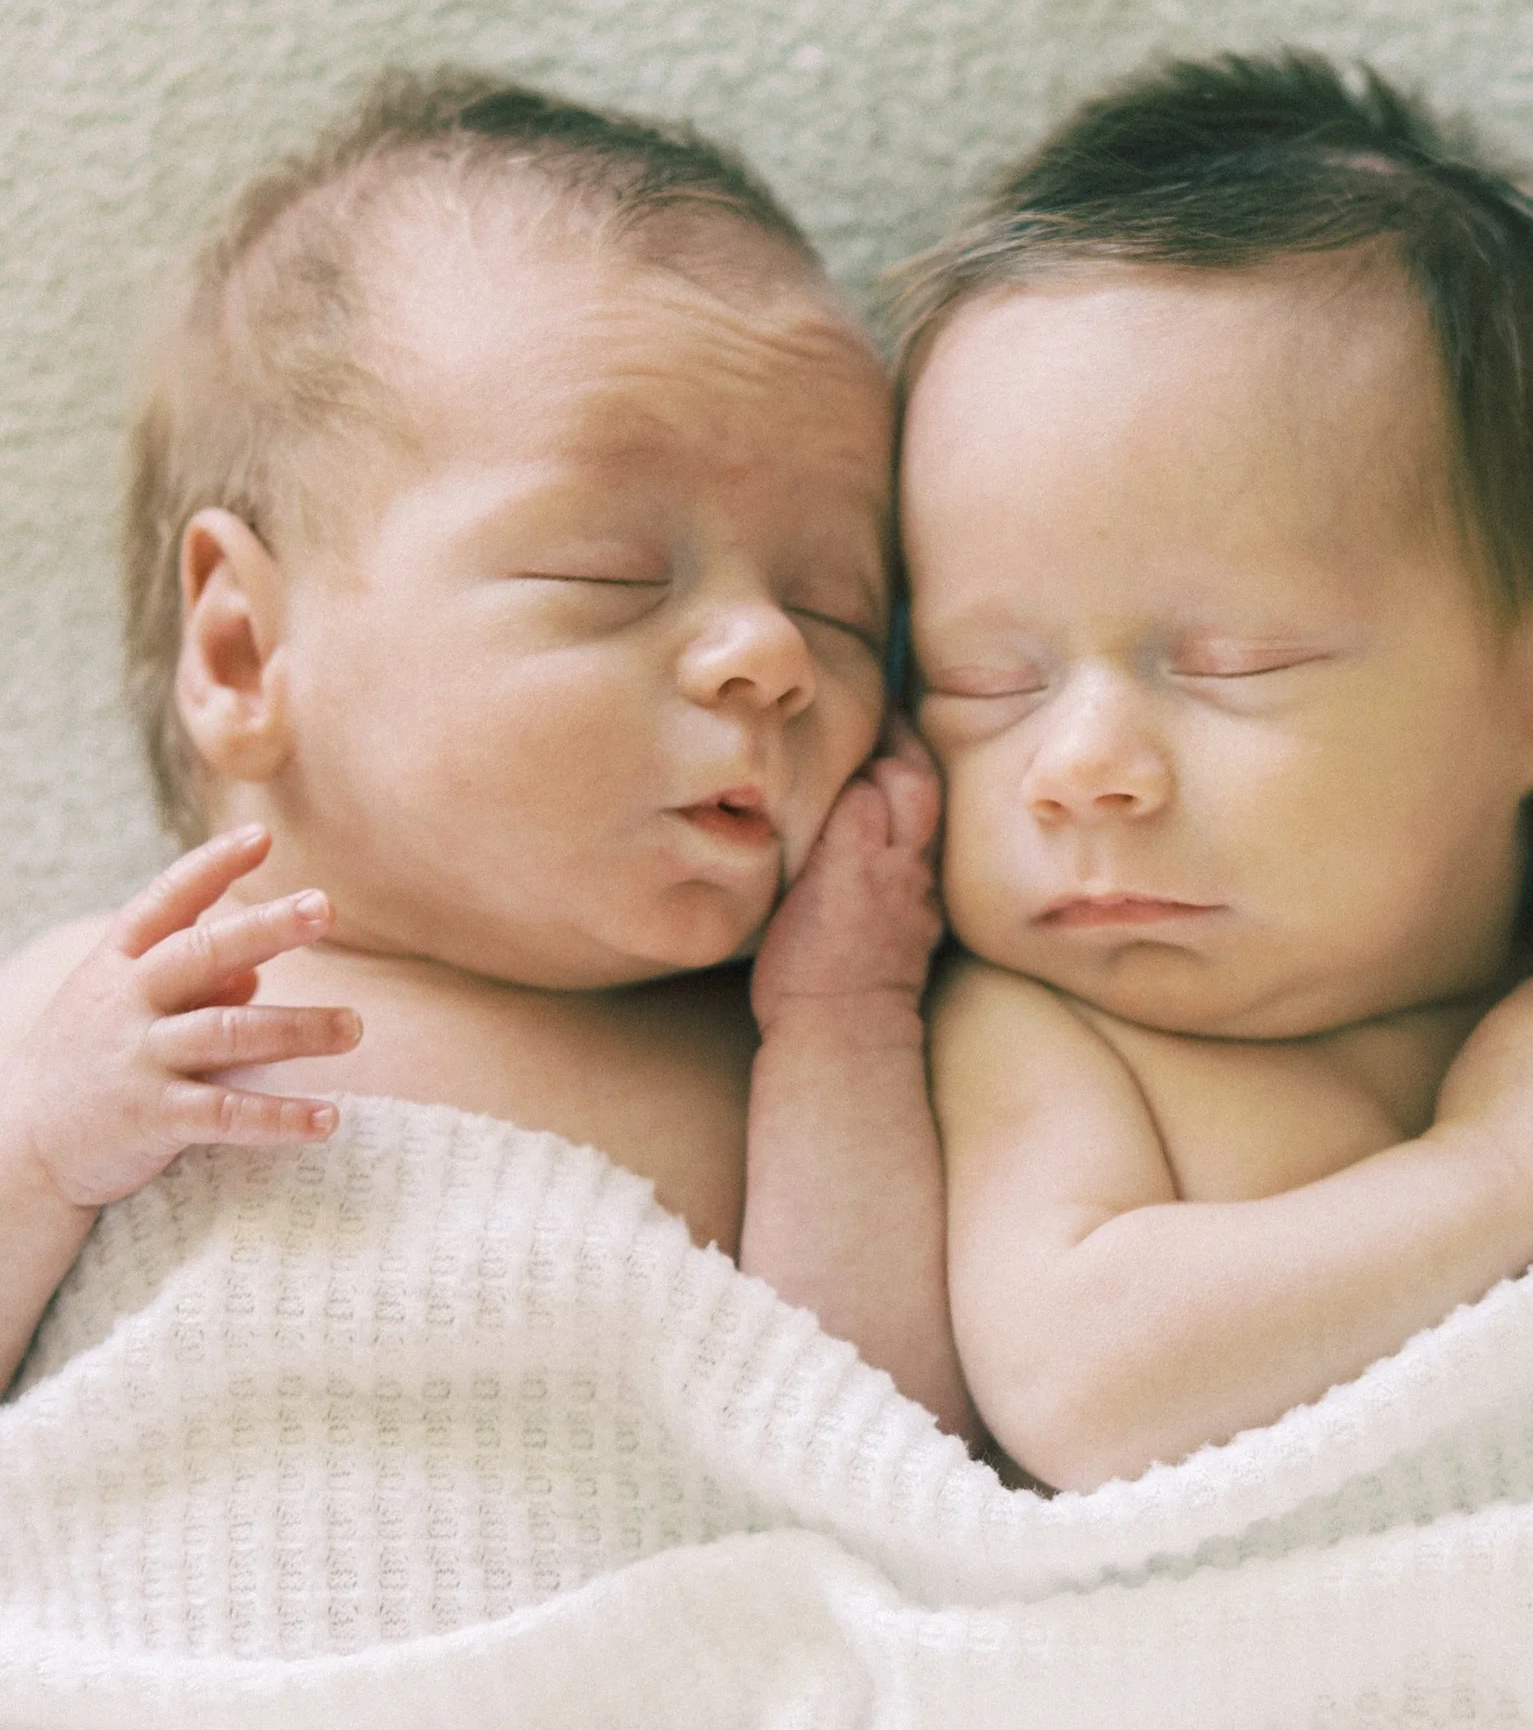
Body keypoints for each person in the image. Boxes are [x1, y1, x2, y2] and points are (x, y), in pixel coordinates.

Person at [0, 72, 966, 1427]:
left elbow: (886, 1460)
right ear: (244, 651)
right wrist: (38, 1154)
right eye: (614, 572)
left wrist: (845, 1036)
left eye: (839, 606)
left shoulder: (762, 1066)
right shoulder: (88, 1017)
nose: (772, 651)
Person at [893, 51, 1533, 1489]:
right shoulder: (1048, 1033)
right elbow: (1082, 1384)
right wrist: (1489, 1173)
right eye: (986, 681)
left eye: (1234, 662)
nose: (1081, 769)